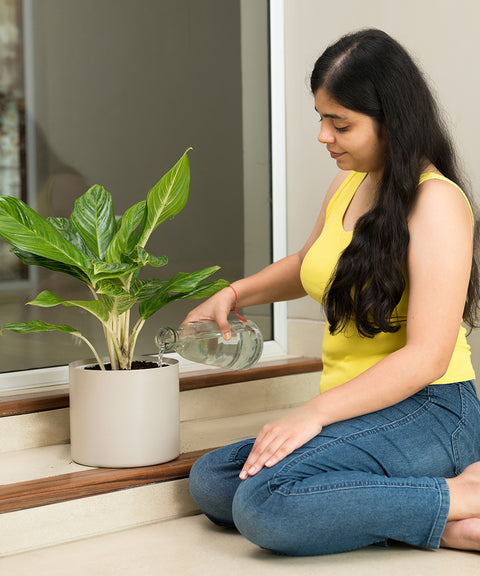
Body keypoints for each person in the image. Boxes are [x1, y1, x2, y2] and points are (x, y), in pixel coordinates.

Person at [186, 28, 480, 556]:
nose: (324, 136)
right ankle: (440, 521)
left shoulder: (437, 203)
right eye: (321, 118)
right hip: (357, 410)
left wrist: (312, 414)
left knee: (264, 503)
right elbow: (308, 265)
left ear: (392, 121)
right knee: (213, 481)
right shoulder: (352, 180)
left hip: (432, 411)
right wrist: (235, 292)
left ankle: (460, 493)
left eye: (340, 123)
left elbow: (428, 358)